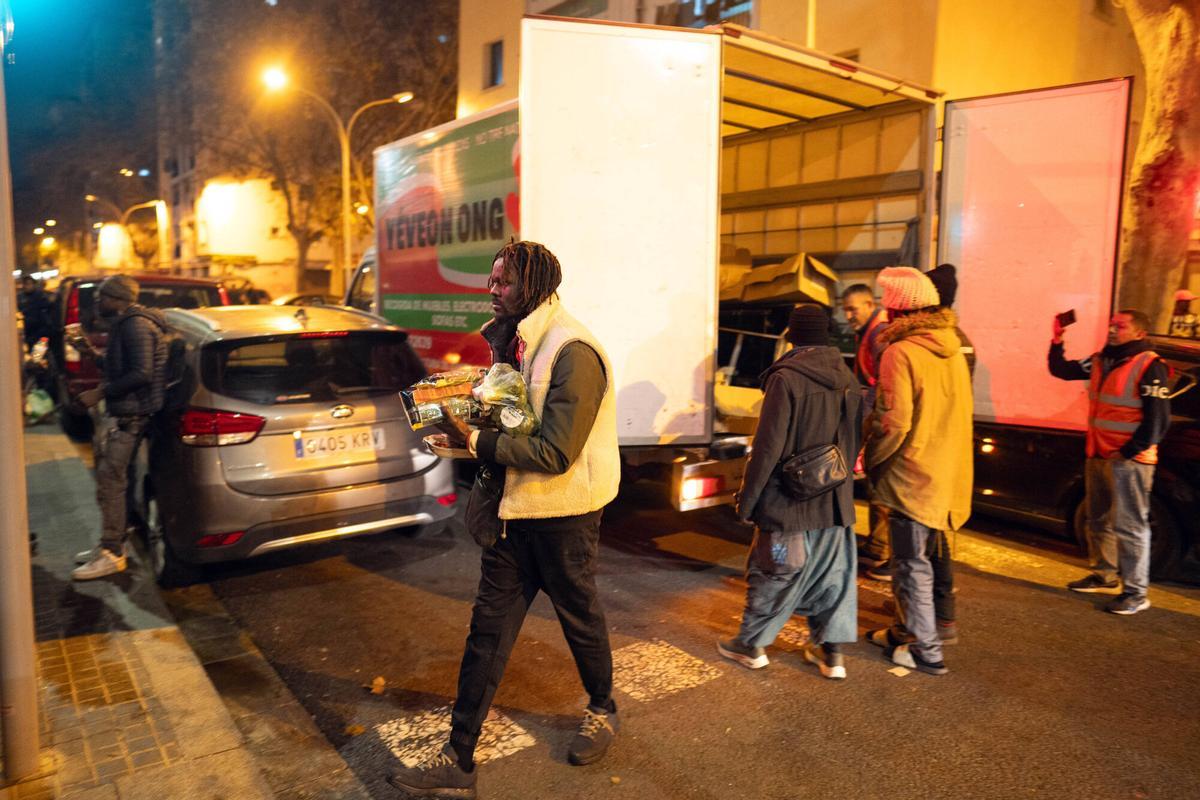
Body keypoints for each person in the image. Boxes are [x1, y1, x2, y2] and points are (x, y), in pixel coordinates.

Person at [387, 241, 621, 799]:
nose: (492, 289)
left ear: (534, 286)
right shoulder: (516, 342)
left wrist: (477, 442)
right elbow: (514, 421)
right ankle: (458, 758)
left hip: (564, 518)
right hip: (513, 516)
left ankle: (603, 708)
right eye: (492, 279)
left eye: (504, 281)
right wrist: (464, 432)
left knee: (580, 619)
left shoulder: (573, 351)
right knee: (486, 635)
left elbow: (556, 452)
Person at [717, 304, 862, 680]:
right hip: (835, 502)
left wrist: (747, 502)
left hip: (788, 502)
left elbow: (768, 448)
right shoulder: (847, 376)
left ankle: (751, 645)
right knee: (834, 576)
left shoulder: (786, 379)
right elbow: (853, 440)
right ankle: (832, 654)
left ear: (791, 335)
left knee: (775, 571)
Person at [864, 267, 973, 676]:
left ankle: (926, 651)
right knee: (923, 558)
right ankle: (903, 632)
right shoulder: (952, 346)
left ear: (898, 310)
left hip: (911, 474)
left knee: (911, 564)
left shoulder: (901, 352)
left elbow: (893, 423)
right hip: (946, 470)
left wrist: (872, 460)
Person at [1050, 309, 1170, 615]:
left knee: (1130, 526)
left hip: (1130, 460)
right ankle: (1104, 574)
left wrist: (1128, 451)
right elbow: (1061, 370)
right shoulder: (1102, 360)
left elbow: (1158, 420)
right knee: (1098, 518)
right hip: (1099, 453)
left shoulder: (1150, 365)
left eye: (1121, 326)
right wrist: (1057, 338)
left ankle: (1136, 593)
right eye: (1111, 325)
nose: (1113, 330)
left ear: (1140, 333)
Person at [72, 275, 169, 581]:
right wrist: (90, 353)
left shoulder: (135, 325)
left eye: (102, 296)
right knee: (117, 481)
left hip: (132, 415)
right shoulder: (126, 323)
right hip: (128, 413)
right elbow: (121, 367)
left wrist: (100, 393)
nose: (97, 302)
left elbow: (141, 373)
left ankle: (112, 552)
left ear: (117, 298)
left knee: (110, 482)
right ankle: (116, 543)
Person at [842, 283, 893, 581]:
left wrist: (865, 423)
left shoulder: (878, 333)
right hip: (872, 416)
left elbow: (881, 383)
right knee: (875, 483)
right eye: (845, 310)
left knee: (880, 485)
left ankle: (882, 548)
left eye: (853, 309)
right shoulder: (868, 332)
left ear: (869, 304)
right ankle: (876, 546)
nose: (849, 315)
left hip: (877, 419)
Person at [18, 275, 54, 348]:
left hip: (42, 330)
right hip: (29, 331)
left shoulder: (40, 295)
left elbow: (48, 306)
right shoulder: (21, 297)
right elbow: (21, 309)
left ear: (34, 284)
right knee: (32, 350)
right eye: (25, 284)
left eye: (29, 284)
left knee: (42, 350)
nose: (27, 286)